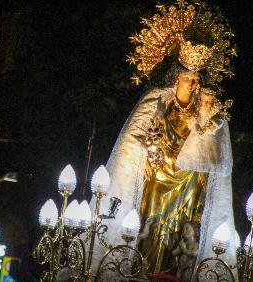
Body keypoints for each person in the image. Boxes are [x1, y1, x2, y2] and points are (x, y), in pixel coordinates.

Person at [90, 1, 237, 280]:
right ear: (176, 77)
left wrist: (206, 121)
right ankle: (142, 271)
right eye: (186, 78)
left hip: (190, 180)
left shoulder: (208, 110)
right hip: (156, 178)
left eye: (196, 79)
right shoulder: (155, 102)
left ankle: (172, 275)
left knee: (180, 229)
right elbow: (133, 140)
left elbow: (214, 155)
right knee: (152, 224)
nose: (192, 84)